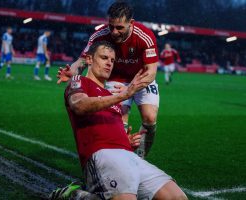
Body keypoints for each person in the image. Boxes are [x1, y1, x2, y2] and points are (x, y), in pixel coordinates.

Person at [50, 41, 187, 200]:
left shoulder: (110, 95)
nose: (109, 63)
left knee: (177, 197)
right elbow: (79, 105)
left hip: (130, 156)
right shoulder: (79, 81)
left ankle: (80, 195)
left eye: (112, 60)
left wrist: (126, 140)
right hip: (102, 155)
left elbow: (110, 127)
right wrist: (124, 95)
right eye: (104, 58)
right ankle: (75, 195)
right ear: (89, 59)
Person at [58, 2, 159, 158]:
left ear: (131, 23)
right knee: (119, 122)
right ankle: (121, 159)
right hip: (116, 78)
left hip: (141, 78)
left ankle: (140, 158)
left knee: (150, 118)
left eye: (119, 28)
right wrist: (72, 71)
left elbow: (151, 71)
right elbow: (83, 60)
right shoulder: (99, 35)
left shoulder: (144, 36)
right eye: (111, 26)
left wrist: (130, 89)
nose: (114, 32)